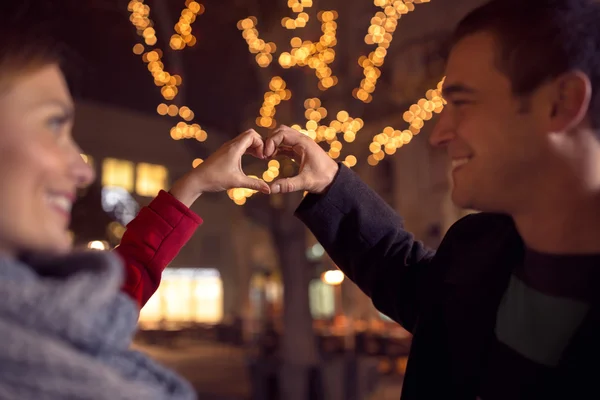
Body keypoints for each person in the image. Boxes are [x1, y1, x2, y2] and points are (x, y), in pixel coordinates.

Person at [261, 0, 600, 398]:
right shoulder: (477, 250)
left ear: (561, 103)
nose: (439, 134)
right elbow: (405, 274)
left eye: (462, 103)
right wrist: (329, 182)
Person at [0, 20, 271, 398]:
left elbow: (125, 279)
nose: (83, 170)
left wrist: (195, 184)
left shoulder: (60, 314)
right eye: (52, 124)